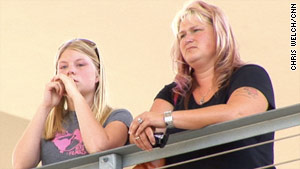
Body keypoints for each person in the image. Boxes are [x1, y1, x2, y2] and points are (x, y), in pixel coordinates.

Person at [129, 1, 275, 169]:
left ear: (220, 34)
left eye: (196, 30)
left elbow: (238, 113)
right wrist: (141, 133)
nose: (188, 39)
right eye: (182, 35)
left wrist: (166, 119)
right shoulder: (173, 92)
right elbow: (151, 135)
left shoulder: (249, 75)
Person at [12, 38, 133, 169]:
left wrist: (75, 95)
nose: (70, 71)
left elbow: (98, 147)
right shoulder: (50, 123)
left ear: (97, 75)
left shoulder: (118, 117)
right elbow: (20, 164)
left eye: (80, 64)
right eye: (63, 67)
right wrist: (45, 106)